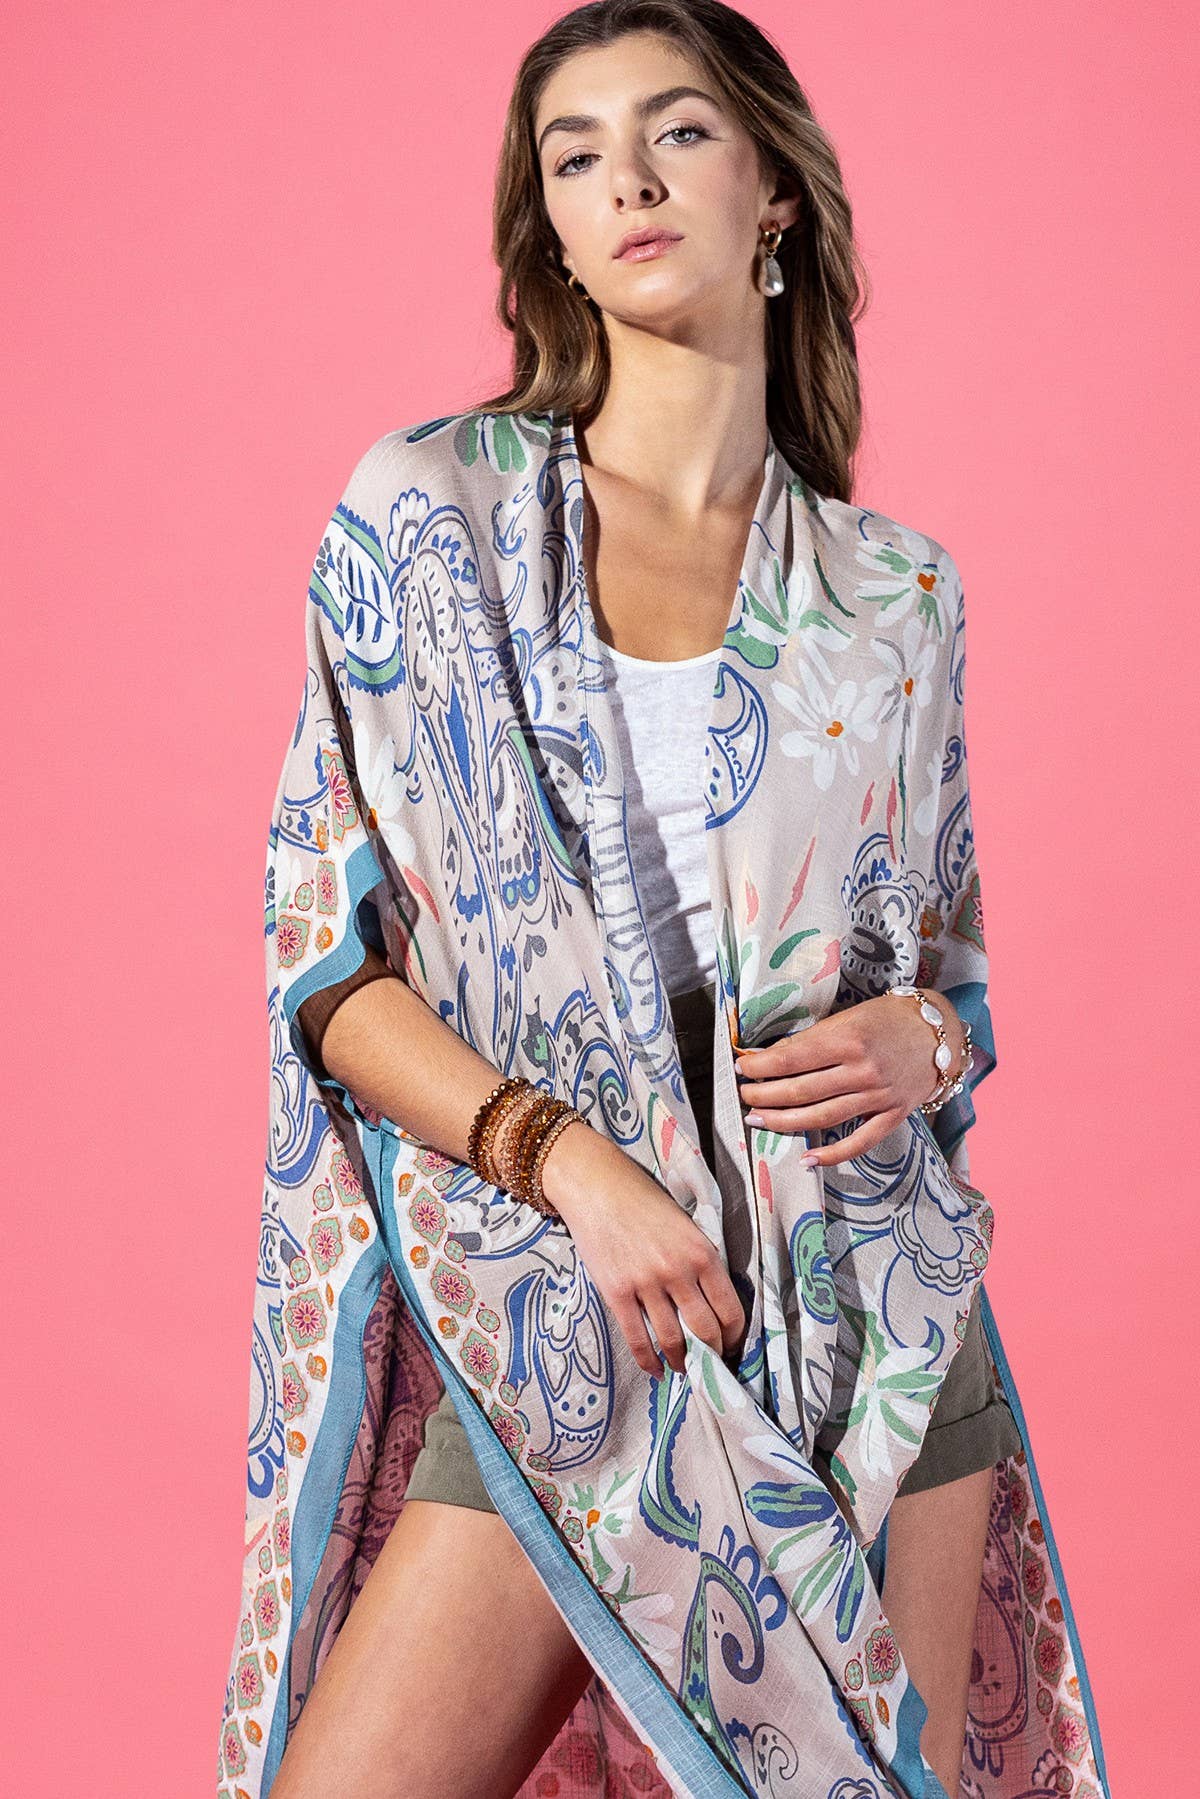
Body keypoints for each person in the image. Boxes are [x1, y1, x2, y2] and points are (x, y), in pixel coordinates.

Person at [218, 6, 1110, 1798]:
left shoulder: (891, 595)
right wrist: (579, 1172)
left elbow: (954, 979)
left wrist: (915, 1040)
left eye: (677, 133)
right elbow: (329, 967)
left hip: (871, 1316)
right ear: (545, 225)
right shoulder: (433, 520)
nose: (624, 177)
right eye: (573, 152)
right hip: (576, 1305)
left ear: (772, 186)